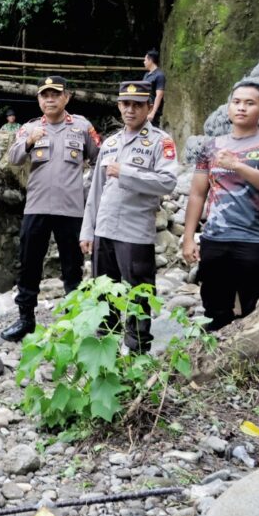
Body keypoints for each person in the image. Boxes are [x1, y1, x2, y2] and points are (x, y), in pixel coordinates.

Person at [182, 81, 259, 331]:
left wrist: (238, 165)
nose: (241, 108)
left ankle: (256, 368)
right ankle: (216, 366)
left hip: (257, 242)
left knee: (258, 312)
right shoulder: (211, 147)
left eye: (250, 103)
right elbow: (198, 194)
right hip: (215, 240)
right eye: (236, 102)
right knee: (214, 310)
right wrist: (189, 237)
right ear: (229, 107)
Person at [80, 81, 178, 353]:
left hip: (135, 232)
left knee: (138, 293)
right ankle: (106, 349)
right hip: (105, 231)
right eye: (126, 104)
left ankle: (136, 352)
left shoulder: (160, 141)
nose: (131, 110)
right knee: (104, 292)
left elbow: (168, 182)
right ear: (119, 106)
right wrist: (87, 231)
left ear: (149, 107)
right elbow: (95, 191)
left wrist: (126, 172)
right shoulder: (110, 142)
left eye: (137, 105)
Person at [1, 77, 100, 342]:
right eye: (44, 95)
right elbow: (12, 158)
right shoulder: (30, 128)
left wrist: (92, 196)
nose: (50, 99)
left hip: (72, 211)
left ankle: (75, 321)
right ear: (38, 100)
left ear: (66, 97)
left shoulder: (81, 127)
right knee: (29, 264)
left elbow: (99, 158)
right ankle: (25, 319)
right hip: (37, 207)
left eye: (55, 94)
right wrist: (29, 142)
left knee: (73, 267)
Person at [143, 49, 166, 126]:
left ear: (150, 60)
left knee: (152, 131)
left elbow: (159, 95)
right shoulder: (146, 75)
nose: (144, 62)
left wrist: (153, 113)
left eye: (145, 60)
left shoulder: (159, 75)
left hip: (152, 109)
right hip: (144, 107)